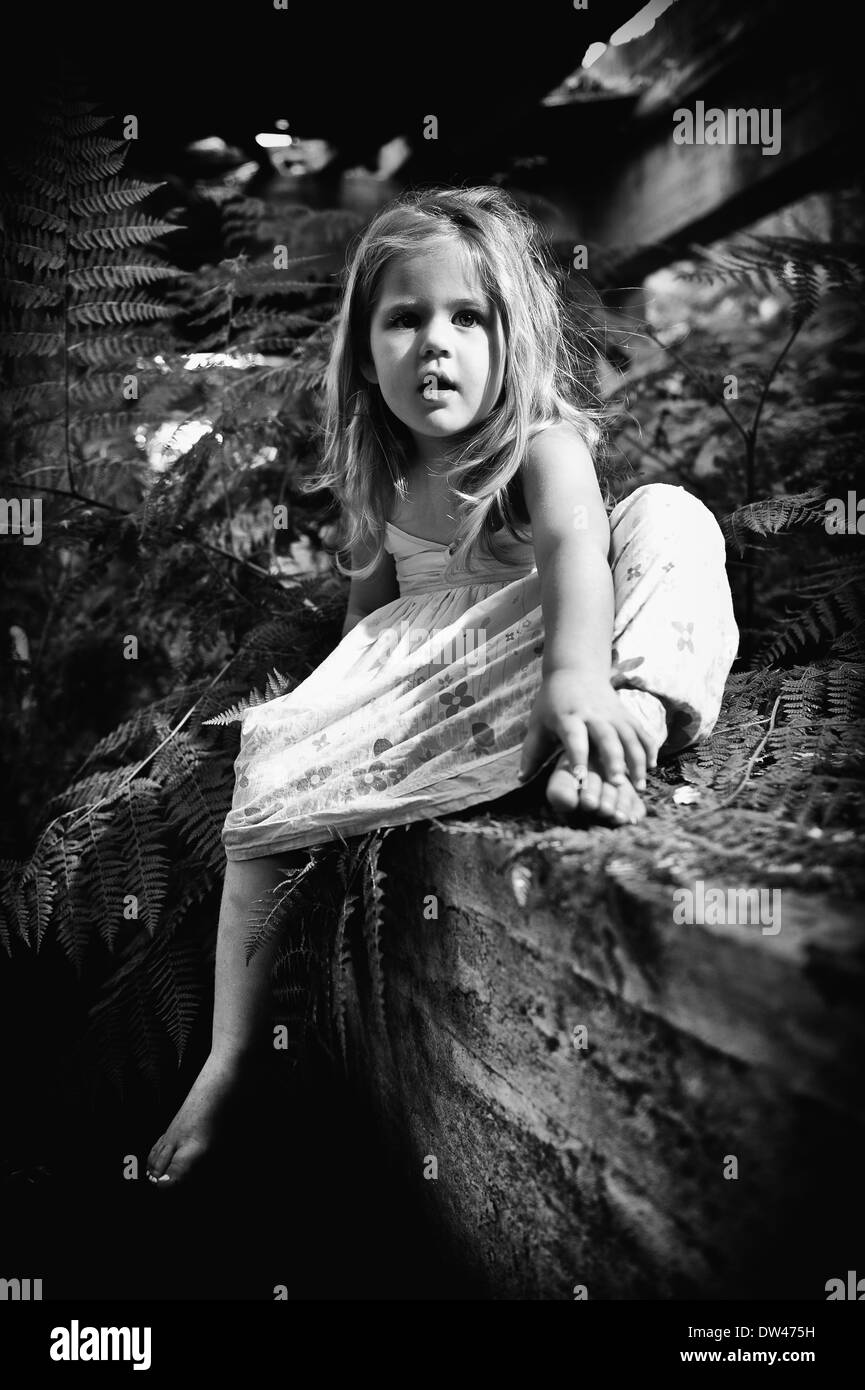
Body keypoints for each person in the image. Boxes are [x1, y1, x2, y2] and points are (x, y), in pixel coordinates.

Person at [146, 187, 738, 1187]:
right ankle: (227, 1057)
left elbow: (576, 555)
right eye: (405, 318)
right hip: (440, 698)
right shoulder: (377, 482)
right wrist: (314, 727)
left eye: (469, 318)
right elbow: (364, 631)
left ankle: (620, 722)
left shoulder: (539, 448)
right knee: (273, 753)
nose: (436, 344)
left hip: (557, 660)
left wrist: (575, 673)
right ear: (363, 350)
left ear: (513, 338)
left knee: (671, 520)